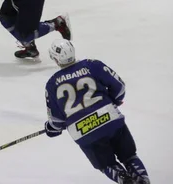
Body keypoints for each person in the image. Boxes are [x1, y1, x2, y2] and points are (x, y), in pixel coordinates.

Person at [45, 39, 150, 184]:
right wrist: (113, 101)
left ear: (55, 59)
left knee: (107, 164)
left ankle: (126, 181)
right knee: (129, 156)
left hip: (84, 131)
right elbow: (119, 88)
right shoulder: (92, 65)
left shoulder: (52, 84)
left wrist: (51, 129)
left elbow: (57, 121)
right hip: (109, 118)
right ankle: (142, 180)